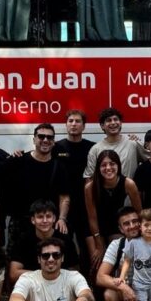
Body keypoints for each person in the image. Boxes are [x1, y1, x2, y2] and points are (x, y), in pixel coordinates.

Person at [0, 123, 70, 254]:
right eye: (41, 137)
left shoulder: (59, 167)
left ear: (53, 142)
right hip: (20, 224)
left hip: (47, 223)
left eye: (50, 137)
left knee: (48, 261)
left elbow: (64, 197)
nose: (45, 140)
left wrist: (62, 219)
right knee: (15, 262)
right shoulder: (18, 160)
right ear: (34, 139)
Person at [84, 149, 141, 268]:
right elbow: (92, 217)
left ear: (118, 166)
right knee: (97, 262)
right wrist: (99, 244)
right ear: (98, 168)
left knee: (117, 258)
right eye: (103, 165)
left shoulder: (128, 184)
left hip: (116, 227)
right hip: (94, 228)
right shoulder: (90, 187)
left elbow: (139, 213)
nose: (108, 168)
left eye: (112, 164)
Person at [54, 109, 96, 269]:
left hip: (86, 205)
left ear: (84, 126)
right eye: (70, 121)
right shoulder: (57, 147)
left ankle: (89, 283)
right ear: (66, 125)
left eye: (77, 121)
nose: (74, 124)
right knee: (63, 243)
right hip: (63, 206)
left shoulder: (92, 148)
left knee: (88, 248)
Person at [7, 200, 82, 285]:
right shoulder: (22, 240)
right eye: (40, 217)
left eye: (48, 216)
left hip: (60, 285)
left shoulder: (65, 239)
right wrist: (45, 275)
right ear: (33, 220)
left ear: (54, 218)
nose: (45, 220)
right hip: (33, 285)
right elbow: (13, 274)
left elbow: (74, 271)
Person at [84, 107, 144, 180]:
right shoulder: (95, 149)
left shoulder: (133, 143)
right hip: (104, 191)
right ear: (102, 126)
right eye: (109, 120)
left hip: (129, 190)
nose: (113, 123)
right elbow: (89, 178)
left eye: (115, 119)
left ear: (120, 123)